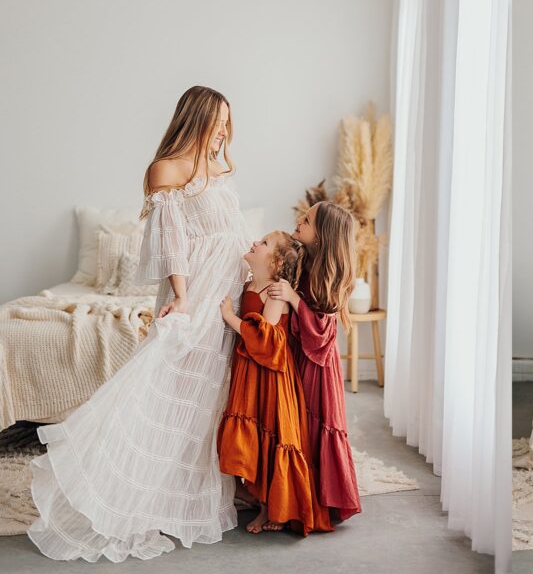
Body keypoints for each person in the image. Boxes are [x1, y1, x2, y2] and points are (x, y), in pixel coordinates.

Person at [29, 85, 250, 561]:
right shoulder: (166, 170)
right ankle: (131, 494)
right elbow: (172, 241)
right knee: (168, 390)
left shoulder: (220, 168)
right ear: (196, 119)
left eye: (228, 122)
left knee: (209, 396)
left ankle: (187, 495)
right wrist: (183, 298)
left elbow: (233, 234)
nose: (225, 131)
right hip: (198, 290)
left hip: (231, 291)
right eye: (218, 121)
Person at [217, 231, 332, 536]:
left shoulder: (274, 291)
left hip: (270, 376)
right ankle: (251, 493)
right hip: (250, 372)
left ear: (276, 261)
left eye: (263, 243)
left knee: (269, 435)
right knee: (251, 434)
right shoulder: (248, 284)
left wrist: (230, 317)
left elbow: (267, 339)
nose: (254, 243)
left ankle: (273, 505)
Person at [267, 201, 361, 522]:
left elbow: (322, 331)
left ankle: (318, 495)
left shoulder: (328, 277)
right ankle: (293, 488)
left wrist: (293, 299)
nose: (298, 221)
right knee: (294, 421)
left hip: (318, 367)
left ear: (321, 236)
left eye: (306, 220)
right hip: (300, 355)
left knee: (314, 422)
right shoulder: (302, 260)